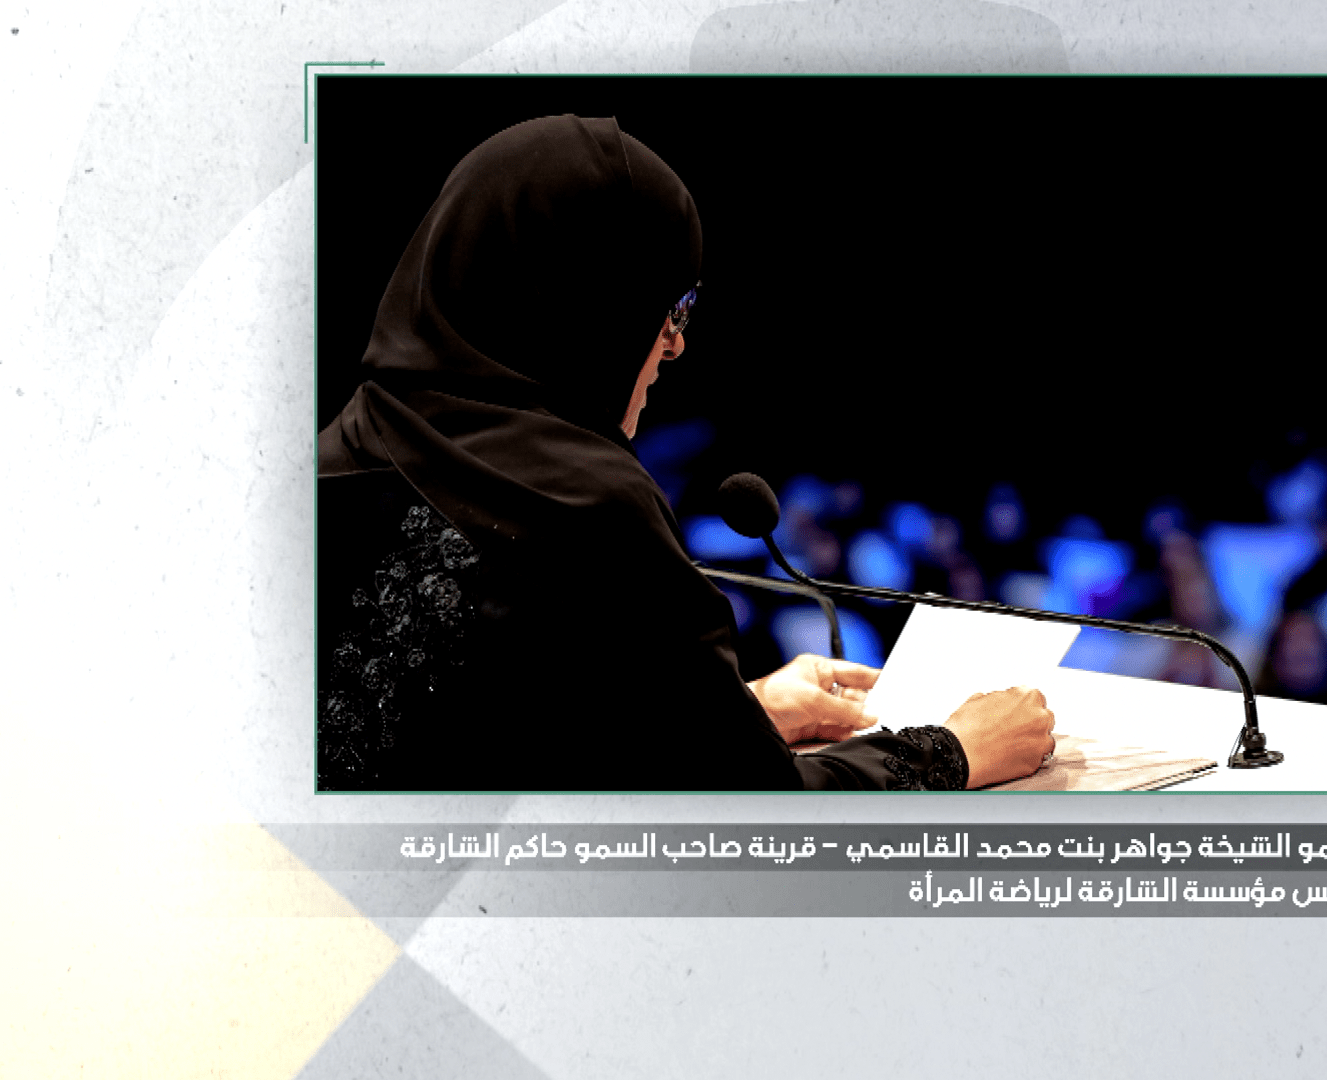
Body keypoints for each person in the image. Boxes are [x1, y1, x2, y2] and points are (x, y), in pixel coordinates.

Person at [316, 114, 1054, 791]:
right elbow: (755, 824)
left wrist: (735, 712)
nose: (674, 344)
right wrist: (952, 751)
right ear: (586, 296)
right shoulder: (586, 504)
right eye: (670, 307)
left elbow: (490, 733)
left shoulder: (333, 458)